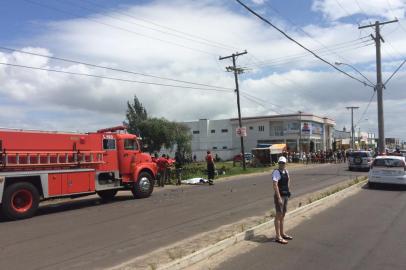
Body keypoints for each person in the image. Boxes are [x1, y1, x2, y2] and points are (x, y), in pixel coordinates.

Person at [272, 156, 293, 244]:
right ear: (278, 163)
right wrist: (279, 197)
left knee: (283, 215)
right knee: (278, 215)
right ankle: (278, 236)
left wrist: (288, 190)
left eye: (283, 163)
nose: (281, 164)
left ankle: (282, 233)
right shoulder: (276, 172)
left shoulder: (286, 171)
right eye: (280, 163)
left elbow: (288, 180)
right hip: (279, 196)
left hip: (285, 195)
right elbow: (275, 185)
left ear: (285, 164)